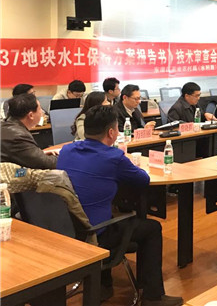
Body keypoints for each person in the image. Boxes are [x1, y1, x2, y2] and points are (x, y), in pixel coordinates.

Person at [57, 106, 183, 306]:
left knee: (105, 211)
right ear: (111, 132)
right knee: (152, 228)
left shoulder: (66, 150)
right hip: (95, 234)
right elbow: (143, 180)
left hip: (67, 229)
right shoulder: (113, 157)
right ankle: (152, 297)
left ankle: (104, 286)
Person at [0, 93, 58, 169]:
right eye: (40, 109)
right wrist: (65, 157)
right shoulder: (18, 136)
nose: (42, 112)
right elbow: (45, 164)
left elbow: (22, 155)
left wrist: (40, 154)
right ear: (31, 115)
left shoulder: (6, 125)